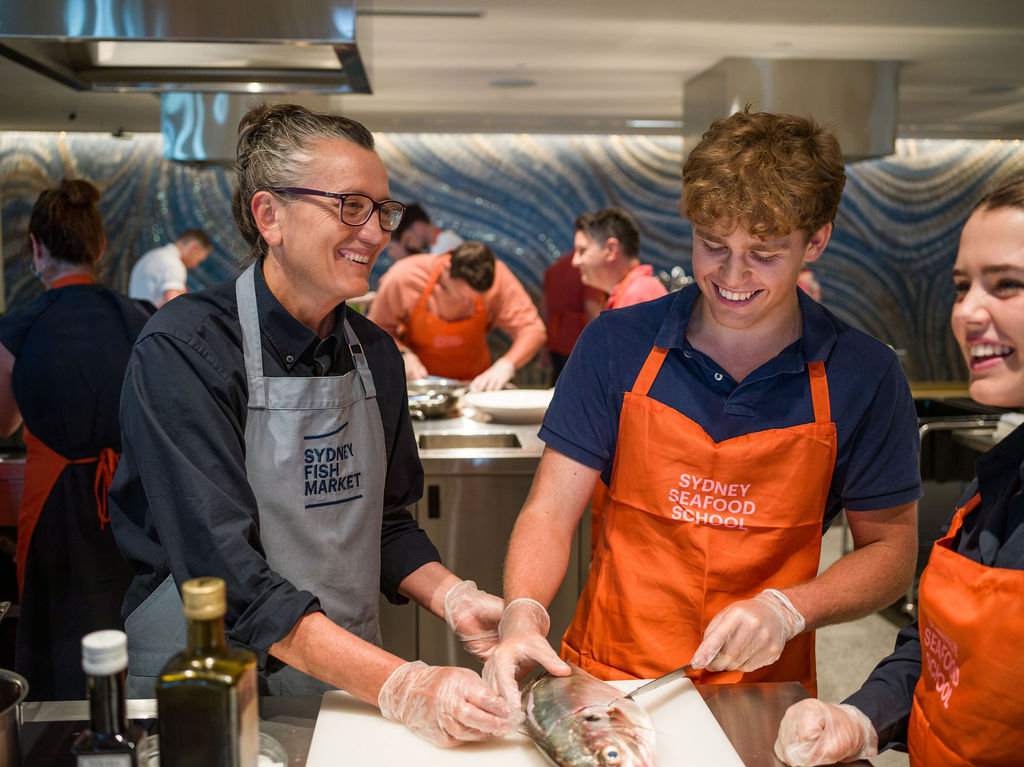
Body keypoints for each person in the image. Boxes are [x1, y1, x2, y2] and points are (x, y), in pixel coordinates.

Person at [483, 109, 921, 708]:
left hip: (763, 695)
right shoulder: (616, 344)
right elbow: (550, 511)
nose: (732, 275)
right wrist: (523, 614)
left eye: (764, 253)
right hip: (612, 680)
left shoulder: (863, 374)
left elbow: (890, 552)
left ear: (816, 241)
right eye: (713, 245)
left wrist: (789, 609)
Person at [108, 103, 515, 747]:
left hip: (339, 681)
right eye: (351, 207)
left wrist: (456, 597)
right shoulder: (186, 351)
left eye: (383, 211)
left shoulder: (375, 354)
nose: (375, 233)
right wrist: (403, 684)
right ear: (269, 215)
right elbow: (224, 570)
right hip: (205, 689)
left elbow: (384, 522)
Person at [774, 170, 1024, 767]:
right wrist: (863, 718)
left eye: (1007, 285)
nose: (968, 312)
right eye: (962, 287)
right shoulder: (999, 478)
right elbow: (941, 651)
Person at [0, 178, 153, 700]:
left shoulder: (19, 325)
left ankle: (54, 731)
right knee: (127, 619)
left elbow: (3, 423)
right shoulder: (139, 317)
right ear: (100, 247)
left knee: (56, 630)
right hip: (130, 501)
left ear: (37, 248)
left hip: (52, 503)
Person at [368, 240, 547, 391]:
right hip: (420, 387)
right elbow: (375, 330)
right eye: (462, 297)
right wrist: (403, 353)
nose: (468, 303)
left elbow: (533, 330)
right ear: (447, 269)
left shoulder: (500, 277)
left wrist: (506, 365)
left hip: (475, 387)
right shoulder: (403, 277)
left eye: (476, 298)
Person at [572, 207, 667, 309]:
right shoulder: (632, 291)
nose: (575, 261)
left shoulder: (638, 294)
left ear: (611, 250)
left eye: (582, 251)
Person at [541, 250, 603, 385]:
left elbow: (545, 308)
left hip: (555, 339)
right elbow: (591, 308)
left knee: (558, 386)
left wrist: (546, 343)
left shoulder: (554, 268)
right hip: (578, 340)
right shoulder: (587, 270)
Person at [128, 228, 212, 308]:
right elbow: (174, 310)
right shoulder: (174, 264)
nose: (195, 266)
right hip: (147, 317)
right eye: (199, 261)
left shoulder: (153, 254)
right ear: (194, 247)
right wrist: (182, 297)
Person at [387, 202, 464, 260]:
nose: (410, 246)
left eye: (408, 239)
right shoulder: (443, 243)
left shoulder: (445, 246)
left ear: (418, 227)